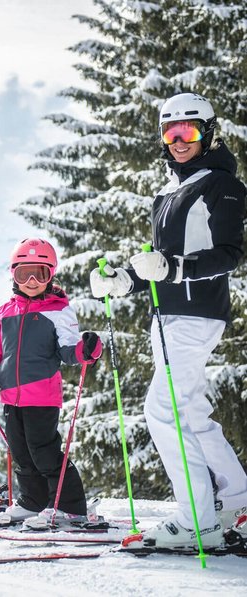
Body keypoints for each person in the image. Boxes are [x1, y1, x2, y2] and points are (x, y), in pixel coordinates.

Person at [90, 92, 247, 548]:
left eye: (189, 131)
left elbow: (228, 255)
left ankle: (197, 521)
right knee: (192, 412)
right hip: (168, 316)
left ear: (208, 133)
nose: (179, 141)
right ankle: (237, 498)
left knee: (162, 410)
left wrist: (174, 268)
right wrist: (126, 281)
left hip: (197, 315)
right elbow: (160, 264)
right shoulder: (169, 190)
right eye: (170, 133)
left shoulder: (222, 185)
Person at [0, 238, 103, 529]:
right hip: (10, 396)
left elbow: (70, 350)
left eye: (39, 274)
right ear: (13, 275)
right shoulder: (5, 312)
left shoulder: (58, 310)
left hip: (42, 395)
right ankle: (33, 501)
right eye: (23, 274)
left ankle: (70, 506)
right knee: (21, 453)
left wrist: (88, 349)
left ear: (50, 275)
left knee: (44, 452)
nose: (31, 281)